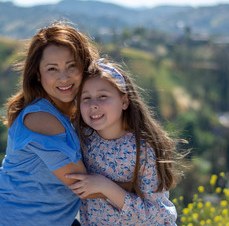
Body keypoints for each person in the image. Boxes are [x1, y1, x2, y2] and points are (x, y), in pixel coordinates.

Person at [0, 22, 99, 226]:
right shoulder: (41, 119)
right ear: (38, 74)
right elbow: (84, 186)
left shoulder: (71, 112)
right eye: (52, 69)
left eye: (72, 66)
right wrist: (142, 186)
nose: (64, 77)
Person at [66, 59, 185, 225]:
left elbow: (154, 213)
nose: (93, 105)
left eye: (103, 96)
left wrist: (105, 186)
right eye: (86, 98)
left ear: (124, 101)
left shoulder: (143, 148)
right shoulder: (82, 138)